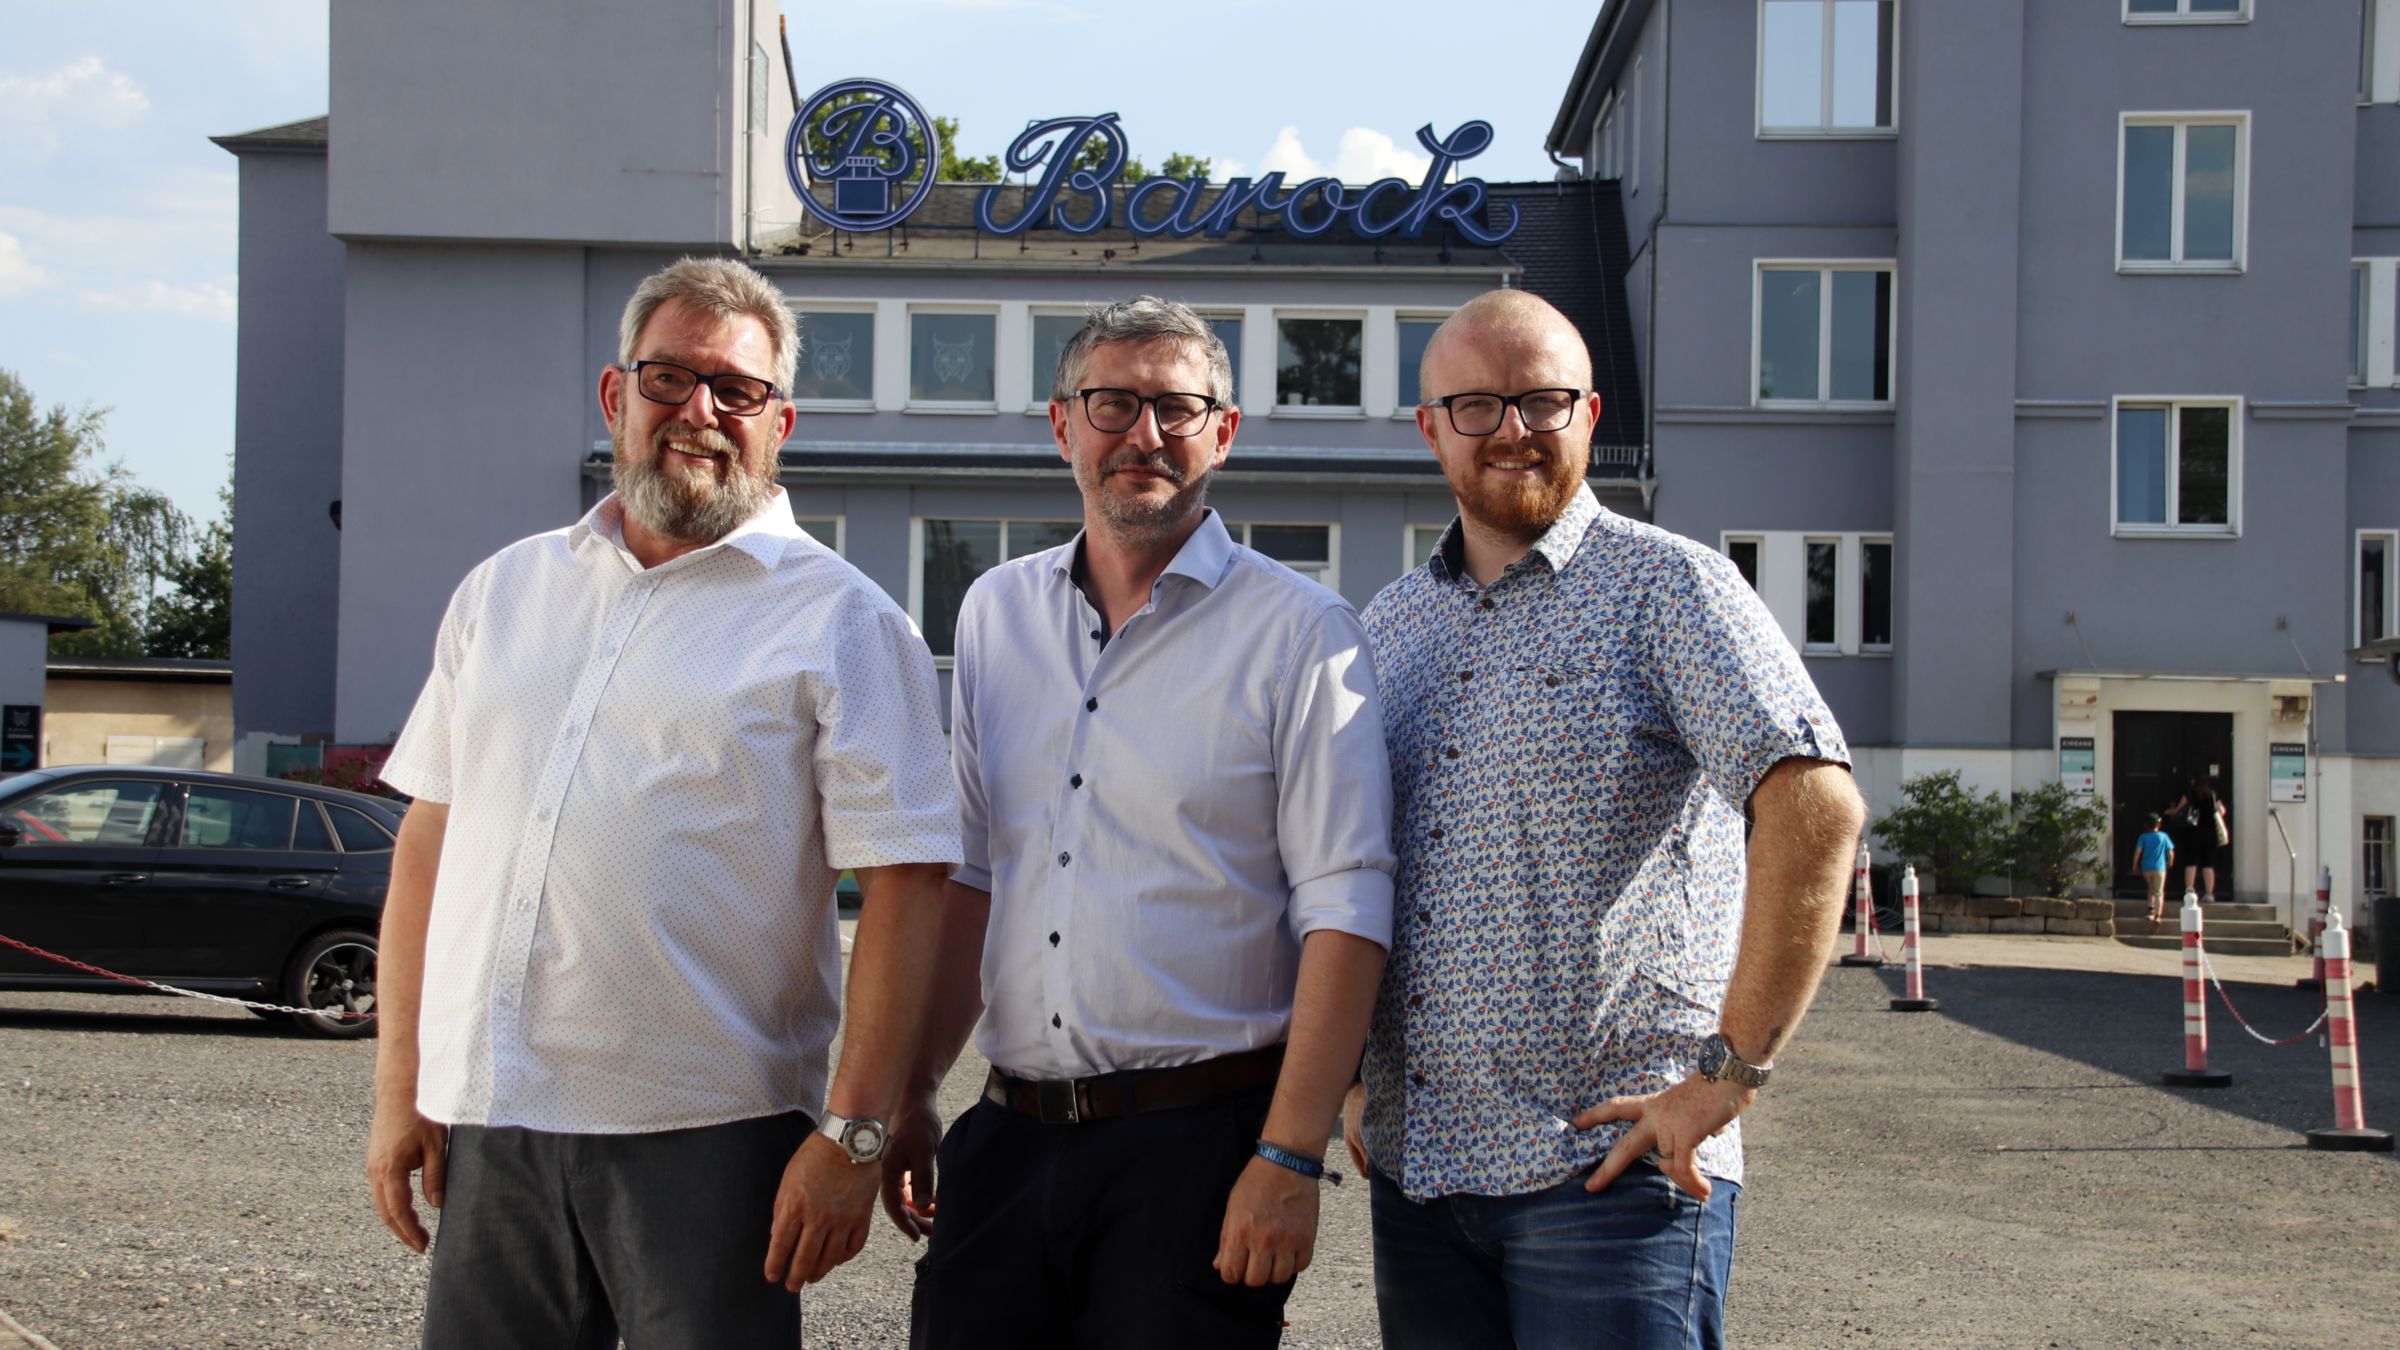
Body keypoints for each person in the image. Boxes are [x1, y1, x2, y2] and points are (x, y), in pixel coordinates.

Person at [366, 257, 962, 1347]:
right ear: (615, 396)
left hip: (711, 1140)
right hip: (493, 1126)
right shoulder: (505, 591)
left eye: (736, 390)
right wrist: (401, 1085)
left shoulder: (843, 623)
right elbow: (429, 839)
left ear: (781, 419)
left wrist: (856, 1133)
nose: (700, 413)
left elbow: (910, 884)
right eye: (670, 379)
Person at [1345, 290, 1867, 1350]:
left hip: (1611, 1181)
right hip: (1423, 1179)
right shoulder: (1388, 629)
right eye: (1477, 405)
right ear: (1430, 427)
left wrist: (1730, 1077)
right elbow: (1344, 866)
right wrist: (1353, 1080)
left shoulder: (1670, 591)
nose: (1513, 432)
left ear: (1590, 412)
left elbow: (1813, 804)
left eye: (1543, 400)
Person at [893, 296, 1396, 1349]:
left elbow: (1348, 906)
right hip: (1008, 1135)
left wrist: (1290, 1154)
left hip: (1200, 1150)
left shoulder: (1302, 633)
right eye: (1113, 403)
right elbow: (977, 877)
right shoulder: (994, 612)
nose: (1145, 435)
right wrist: (909, 1094)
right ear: (1062, 423)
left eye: (1178, 407)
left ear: (1225, 430)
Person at [2133, 814, 2178, 926]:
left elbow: (2138, 851)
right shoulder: (2163, 836)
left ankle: (2150, 911)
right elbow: (2170, 852)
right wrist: (2170, 862)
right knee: (2158, 892)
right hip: (2159, 868)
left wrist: (2135, 865)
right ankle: (2157, 915)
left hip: (2146, 868)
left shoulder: (2143, 837)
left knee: (2151, 888)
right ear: (2159, 824)